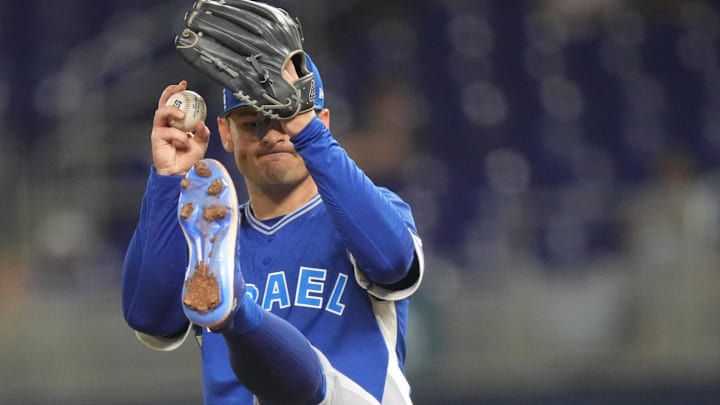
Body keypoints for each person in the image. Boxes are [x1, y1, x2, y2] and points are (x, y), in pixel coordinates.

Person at [121, 36, 425, 405]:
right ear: (225, 134)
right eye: (253, 124)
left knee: (319, 388)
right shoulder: (203, 236)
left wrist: (310, 135)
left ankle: (235, 308)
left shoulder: (369, 212)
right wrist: (168, 179)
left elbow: (394, 263)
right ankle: (234, 307)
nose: (274, 136)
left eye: (289, 119)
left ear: (320, 122)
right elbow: (150, 319)